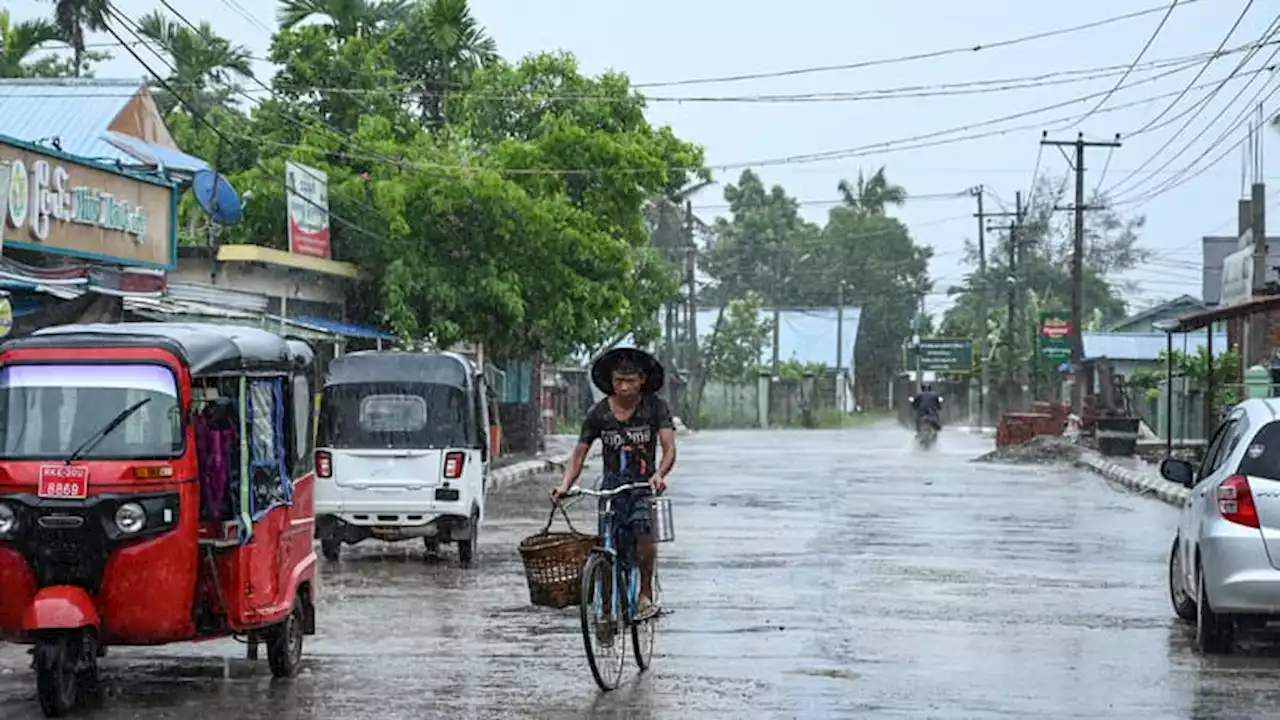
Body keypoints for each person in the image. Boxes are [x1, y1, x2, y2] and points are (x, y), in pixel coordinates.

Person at [551, 347, 676, 621]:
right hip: (611, 488)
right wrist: (565, 485)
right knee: (605, 547)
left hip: (643, 486)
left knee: (644, 535)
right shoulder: (599, 414)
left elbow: (668, 449)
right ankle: (606, 609)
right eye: (618, 381)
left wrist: (660, 474)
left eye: (630, 381)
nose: (624, 387)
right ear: (611, 380)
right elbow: (579, 453)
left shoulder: (655, 408)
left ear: (642, 379)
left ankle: (645, 593)